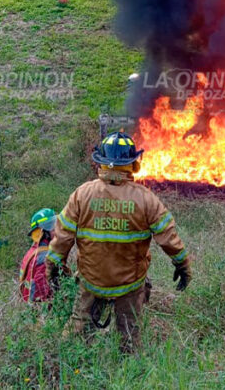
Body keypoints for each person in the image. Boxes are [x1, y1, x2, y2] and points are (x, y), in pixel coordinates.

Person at [45, 131, 191, 353]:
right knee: (129, 338)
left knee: (78, 331)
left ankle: (64, 361)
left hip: (91, 280)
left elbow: (62, 237)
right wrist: (183, 266)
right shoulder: (146, 199)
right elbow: (169, 238)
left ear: (101, 162)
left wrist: (53, 267)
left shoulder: (82, 194)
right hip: (129, 284)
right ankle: (128, 367)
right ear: (133, 163)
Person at [19, 208, 56, 303]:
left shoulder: (33, 251)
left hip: (27, 306)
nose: (57, 231)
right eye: (53, 228)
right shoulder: (44, 258)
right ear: (43, 233)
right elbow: (40, 294)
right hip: (38, 309)